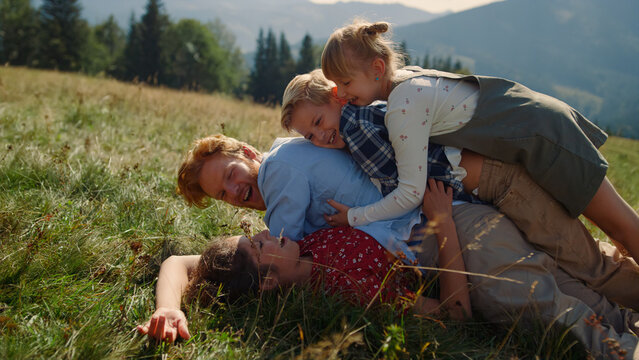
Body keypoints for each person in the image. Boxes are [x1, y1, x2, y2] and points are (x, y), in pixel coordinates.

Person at [139, 178, 639, 359]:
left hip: (466, 229)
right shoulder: (342, 287)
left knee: (592, 309)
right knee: (598, 319)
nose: (267, 230)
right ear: (268, 280)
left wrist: (170, 308)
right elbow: (455, 315)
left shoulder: (305, 248)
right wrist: (443, 224)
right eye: (259, 243)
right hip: (463, 240)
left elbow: (180, 262)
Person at [280, 70, 639, 310]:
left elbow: (408, 190)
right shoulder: (369, 111)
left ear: (336, 96)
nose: (320, 137)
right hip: (496, 185)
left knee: (587, 261)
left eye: (318, 121)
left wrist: (352, 217)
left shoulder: (358, 131)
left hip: (505, 181)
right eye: (310, 136)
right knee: (573, 257)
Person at [318, 20, 639, 265]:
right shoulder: (406, 81)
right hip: (541, 128)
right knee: (616, 229)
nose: (341, 94)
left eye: (345, 83)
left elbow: (410, 192)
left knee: (623, 227)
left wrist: (354, 217)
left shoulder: (403, 103)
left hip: (545, 139)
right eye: (334, 86)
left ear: (376, 69)